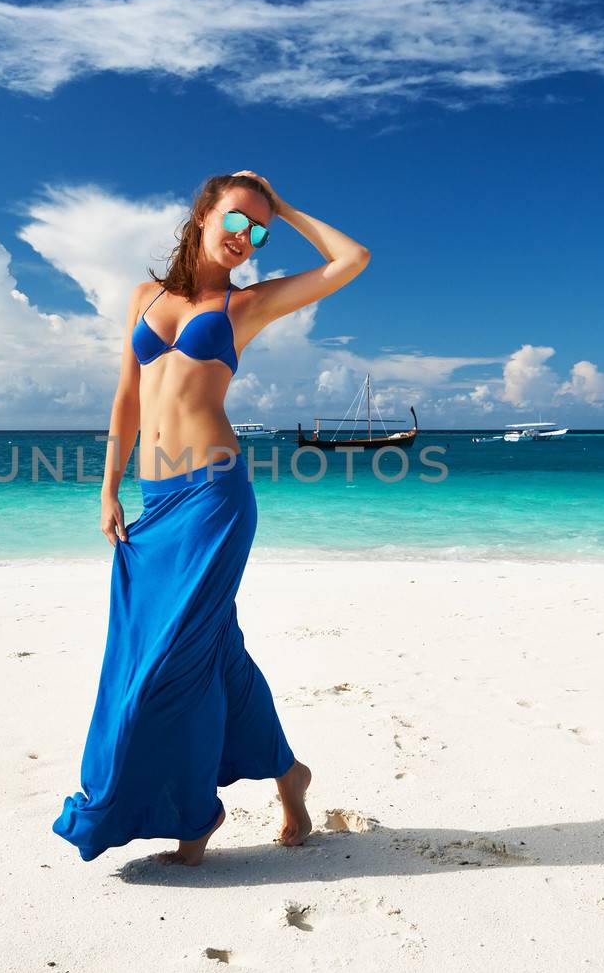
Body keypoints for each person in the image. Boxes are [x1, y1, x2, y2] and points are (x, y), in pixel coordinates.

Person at [52, 170, 372, 866]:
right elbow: (127, 400)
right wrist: (108, 488)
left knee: (172, 661)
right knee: (211, 652)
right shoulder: (145, 297)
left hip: (215, 499)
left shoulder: (245, 306)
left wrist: (283, 206)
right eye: (237, 218)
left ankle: (197, 815)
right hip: (156, 503)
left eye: (259, 229)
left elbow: (352, 260)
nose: (246, 237)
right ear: (203, 213)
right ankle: (290, 777)